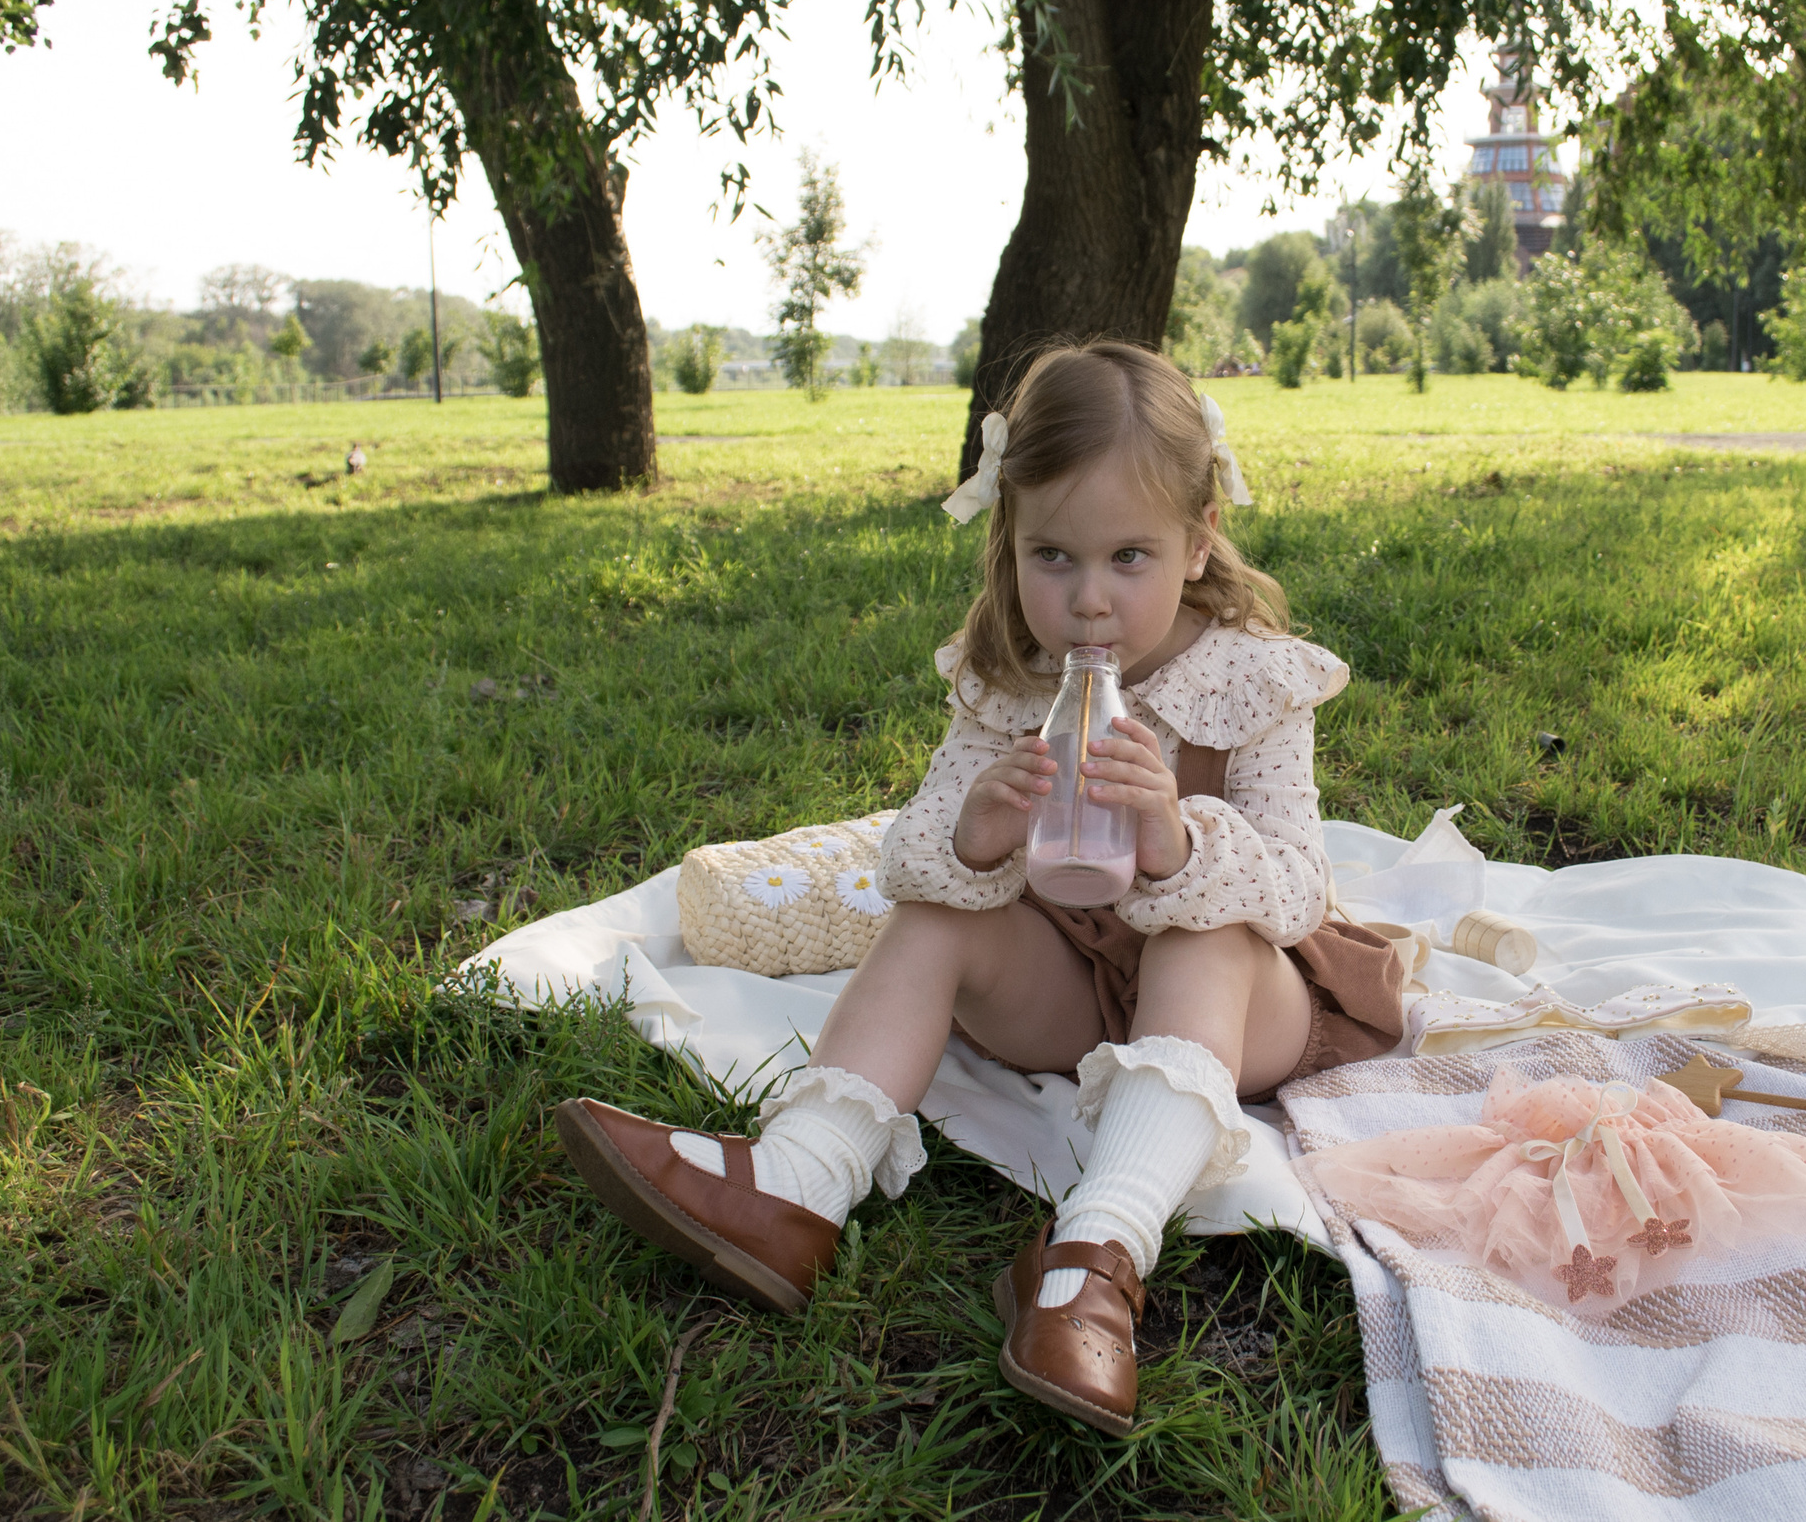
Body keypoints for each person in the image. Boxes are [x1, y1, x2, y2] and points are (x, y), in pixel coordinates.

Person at [553, 342, 1406, 1436]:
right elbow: (906, 861)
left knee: (1203, 939)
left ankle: (1098, 1249)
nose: (1088, 601)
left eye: (1129, 558)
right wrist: (974, 832)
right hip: (1070, 991)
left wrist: (1175, 841)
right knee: (935, 917)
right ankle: (798, 1182)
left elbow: (1295, 889)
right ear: (1010, 539)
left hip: (1240, 1004)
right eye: (1052, 556)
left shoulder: (1254, 676)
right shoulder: (1007, 679)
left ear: (1198, 542)